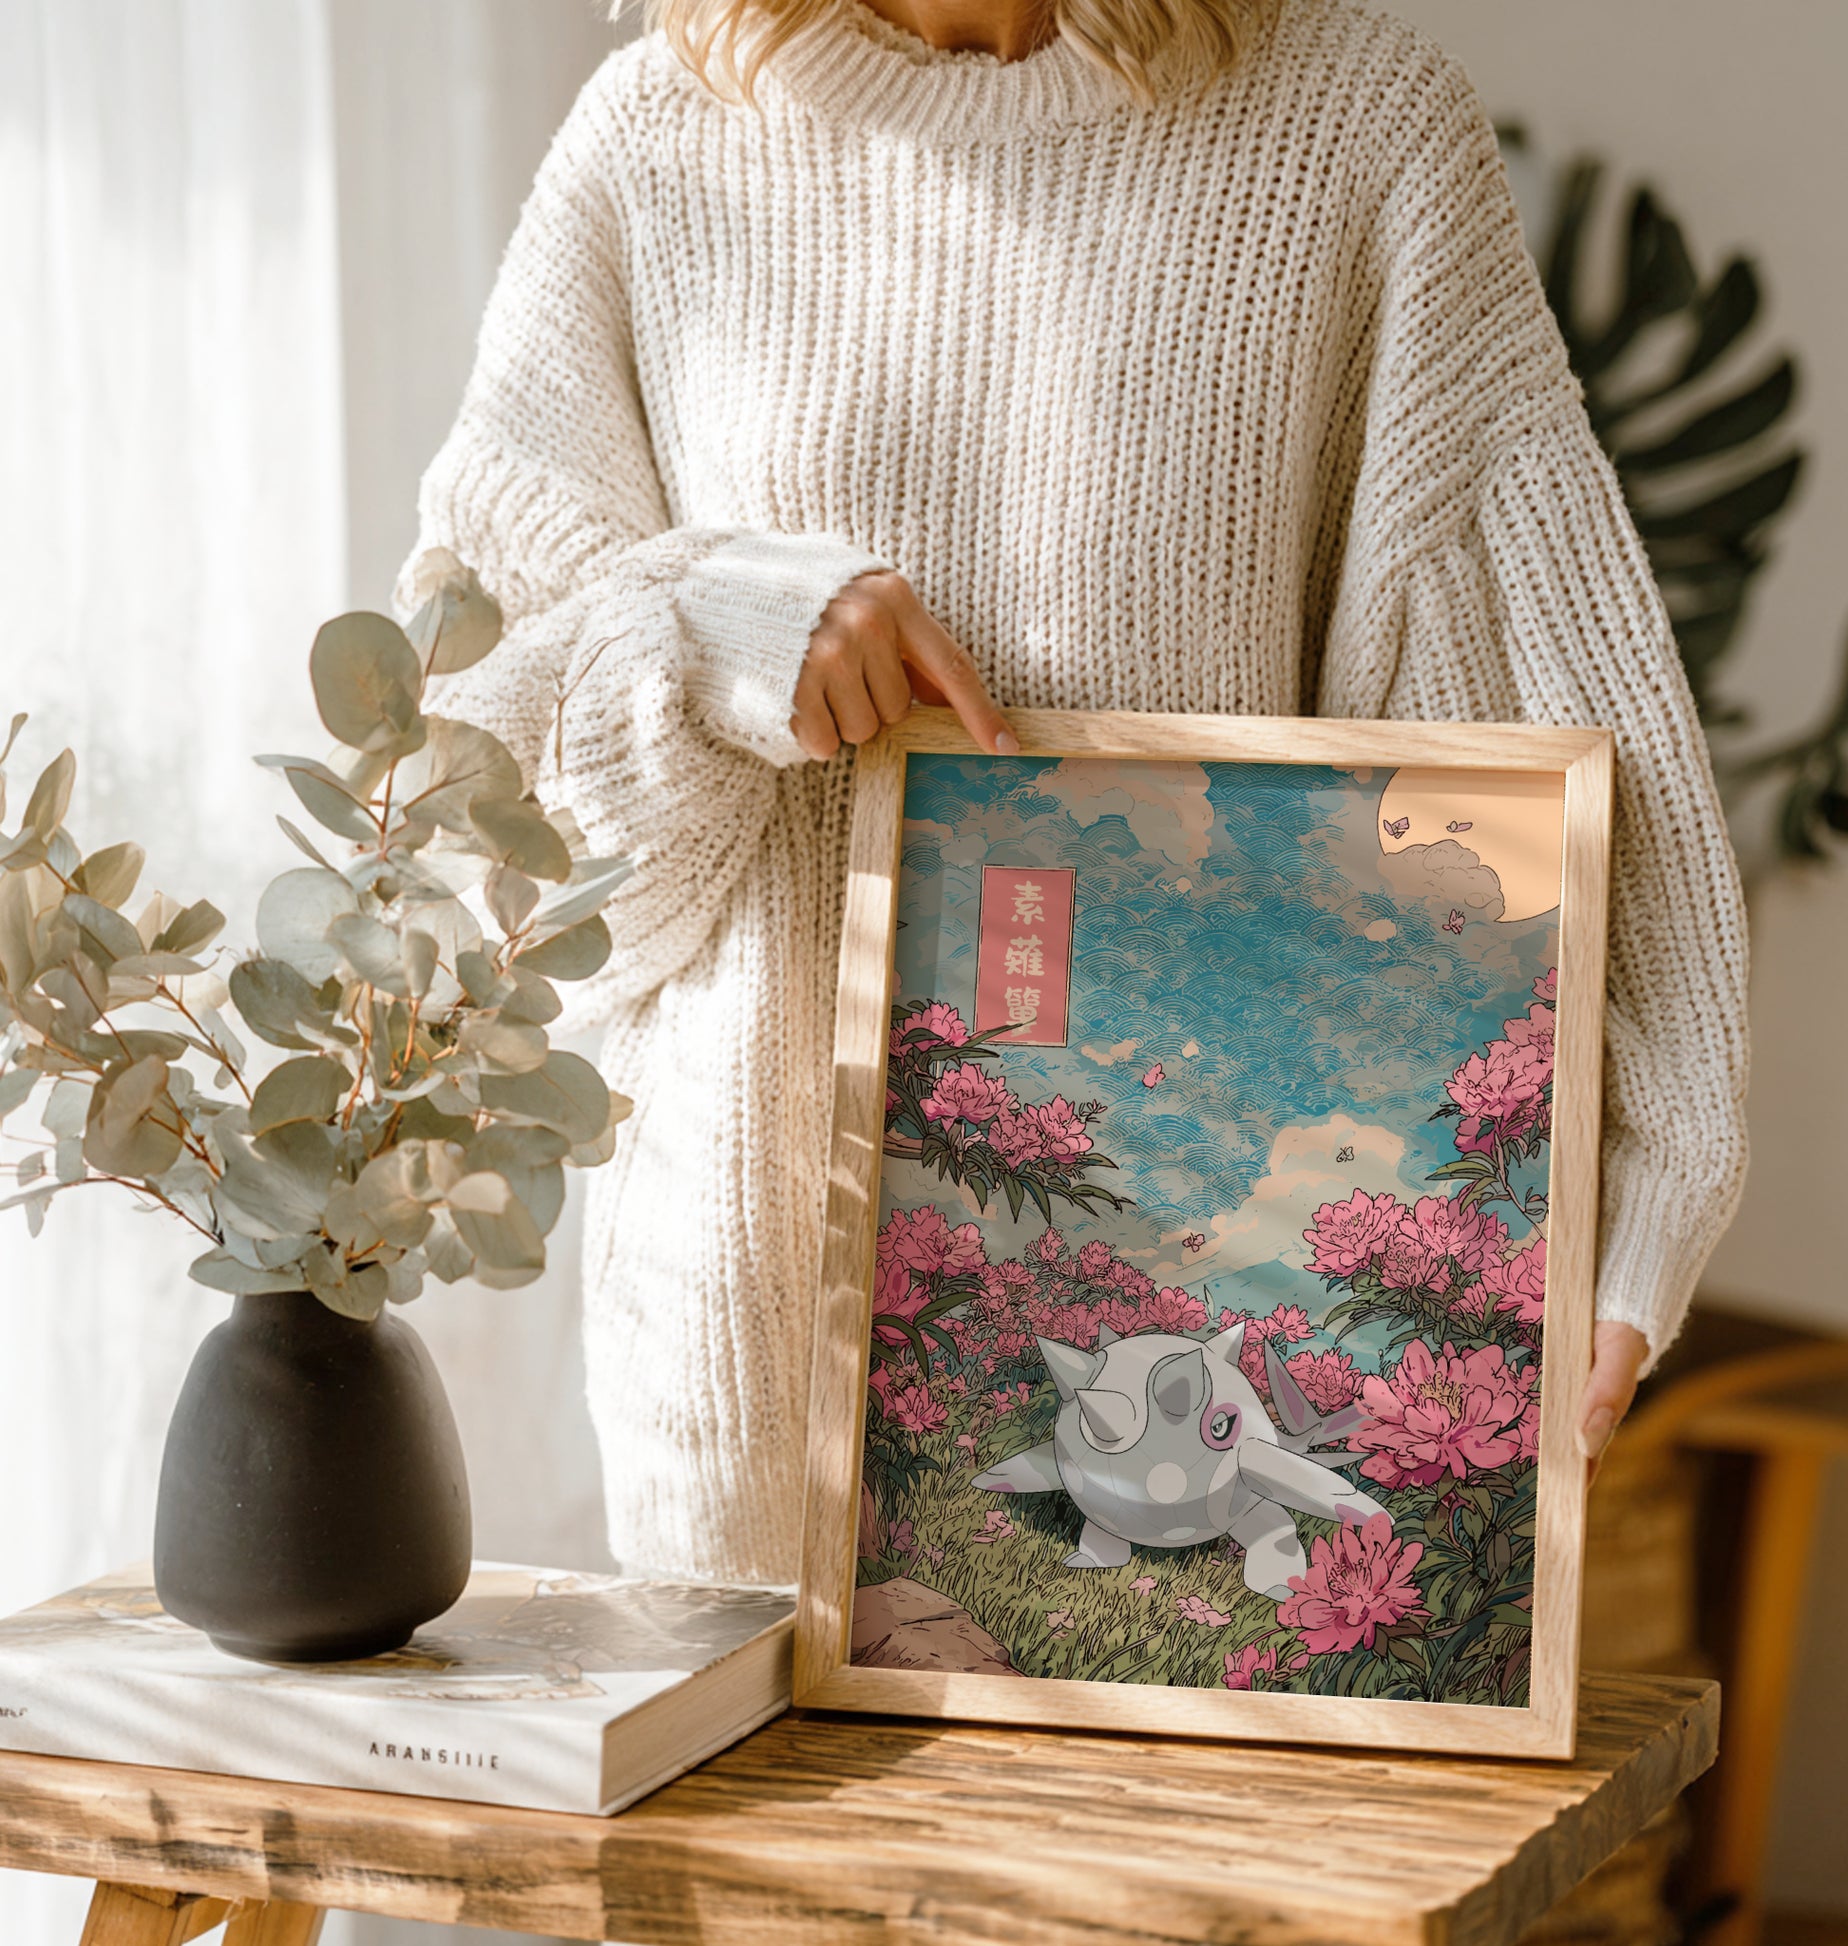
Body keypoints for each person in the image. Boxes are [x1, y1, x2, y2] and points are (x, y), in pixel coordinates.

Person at [394, 0, 1749, 1589]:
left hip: (1207, 1329)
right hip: (742, 1344)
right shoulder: (654, 142)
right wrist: (710, 624)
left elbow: (1531, 706)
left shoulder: (1353, 128)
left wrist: (1637, 1179)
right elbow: (471, 823)